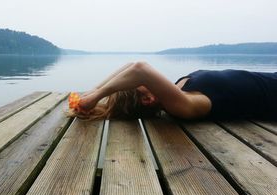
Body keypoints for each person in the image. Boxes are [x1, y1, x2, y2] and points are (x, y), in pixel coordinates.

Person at [68, 62, 277, 120]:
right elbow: (139, 69)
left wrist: (94, 89)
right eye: (141, 84)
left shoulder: (179, 90)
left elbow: (130, 65)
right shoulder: (183, 105)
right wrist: (95, 97)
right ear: (148, 99)